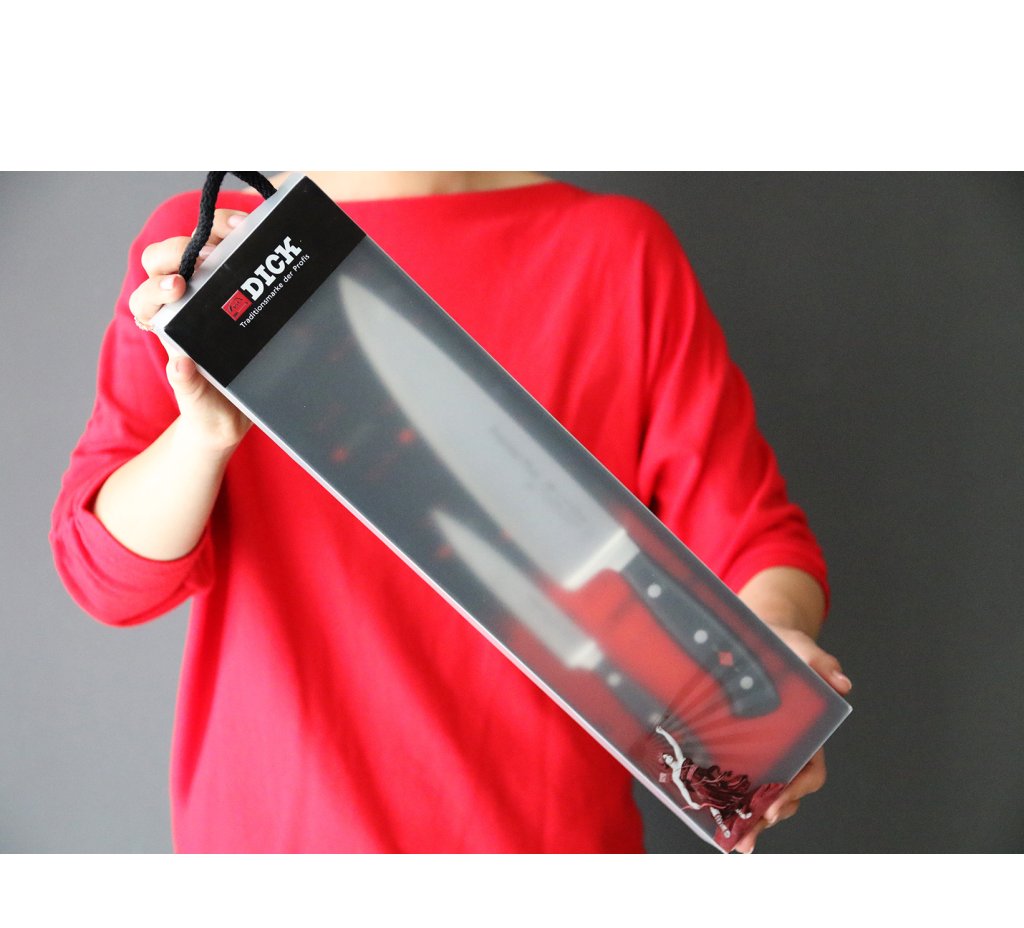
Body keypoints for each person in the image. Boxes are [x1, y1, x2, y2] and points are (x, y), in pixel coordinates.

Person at [50, 171, 852, 853]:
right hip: (276, 842)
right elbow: (106, 579)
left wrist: (775, 666)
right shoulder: (213, 249)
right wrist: (202, 436)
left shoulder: (614, 249)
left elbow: (754, 537)